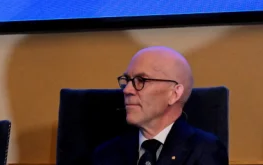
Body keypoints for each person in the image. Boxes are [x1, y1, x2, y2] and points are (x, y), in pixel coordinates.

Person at [92, 46, 227, 165]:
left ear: (174, 94)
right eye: (127, 80)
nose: (127, 90)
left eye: (141, 80)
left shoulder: (205, 151)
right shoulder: (106, 154)